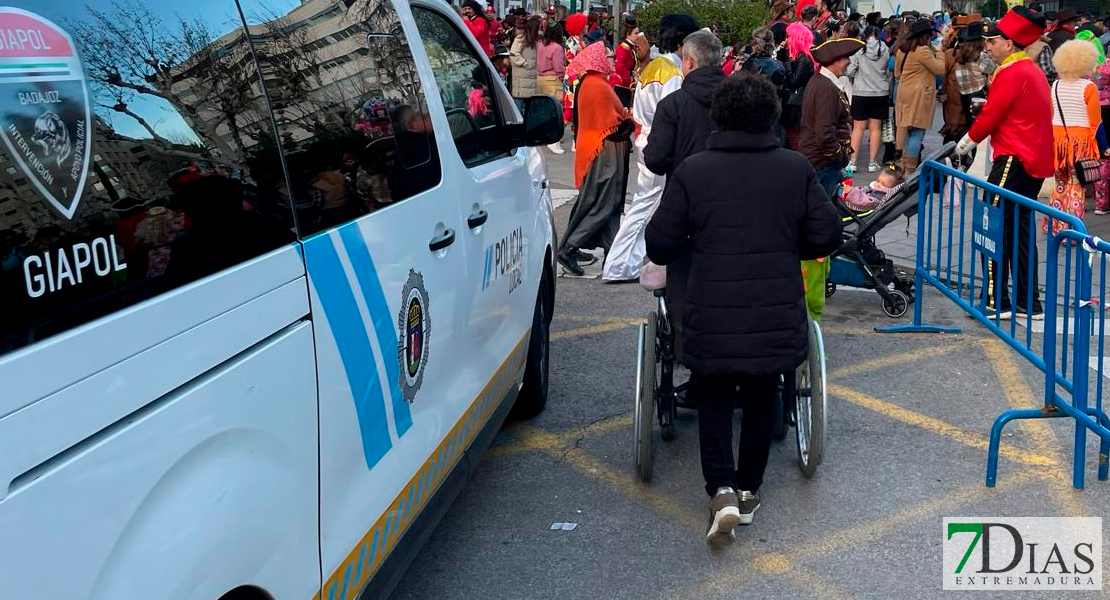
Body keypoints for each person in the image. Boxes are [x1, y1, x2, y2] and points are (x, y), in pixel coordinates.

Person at [644, 73, 842, 544]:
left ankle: (722, 489)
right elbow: (827, 234)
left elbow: (661, 242)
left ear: (720, 116)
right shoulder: (794, 168)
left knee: (713, 395)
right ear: (771, 117)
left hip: (711, 307)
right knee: (760, 393)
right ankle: (750, 489)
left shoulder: (694, 171)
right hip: (773, 309)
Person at [955, 6, 1054, 320]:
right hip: (1031, 159)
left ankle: (997, 300)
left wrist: (966, 142)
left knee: (993, 227)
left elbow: (992, 116)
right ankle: (1028, 301)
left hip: (1013, 157)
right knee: (1020, 230)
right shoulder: (1031, 70)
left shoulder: (1012, 73)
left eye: (992, 42)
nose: (987, 47)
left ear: (1008, 44)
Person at [642, 29, 725, 359]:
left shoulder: (674, 104)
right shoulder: (742, 98)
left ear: (688, 62)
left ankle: (686, 348)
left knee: (684, 276)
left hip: (687, 206)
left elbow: (656, 161)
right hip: (740, 204)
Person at [602, 14, 699, 282]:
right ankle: (618, 264)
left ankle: (627, 262)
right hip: (659, 141)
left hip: (647, 137)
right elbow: (672, 114)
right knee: (645, 206)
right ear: (683, 43)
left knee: (647, 204)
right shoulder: (672, 73)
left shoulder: (653, 66)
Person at [556, 42, 634, 276]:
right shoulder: (597, 85)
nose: (613, 60)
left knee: (607, 202)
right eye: (609, 57)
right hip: (605, 149)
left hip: (604, 148)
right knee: (604, 202)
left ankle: (611, 253)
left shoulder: (593, 82)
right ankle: (570, 248)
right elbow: (611, 124)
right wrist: (628, 122)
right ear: (599, 59)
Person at [1045, 40, 1107, 233]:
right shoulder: (1089, 88)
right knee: (1076, 186)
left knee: (1060, 183)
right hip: (1080, 143)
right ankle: (1071, 231)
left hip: (1057, 142)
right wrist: (1104, 146)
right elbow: (1095, 123)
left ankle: (1053, 225)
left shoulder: (1055, 85)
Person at [800, 37, 865, 198]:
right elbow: (824, 132)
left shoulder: (820, 82)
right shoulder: (826, 88)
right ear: (834, 61)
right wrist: (839, 156)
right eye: (845, 58)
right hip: (822, 164)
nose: (849, 62)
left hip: (819, 162)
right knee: (824, 215)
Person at [894, 18, 944, 172]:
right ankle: (910, 169)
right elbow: (939, 69)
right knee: (917, 132)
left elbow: (897, 73)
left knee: (906, 129)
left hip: (904, 92)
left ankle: (902, 164)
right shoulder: (922, 50)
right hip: (918, 95)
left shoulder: (902, 49)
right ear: (926, 36)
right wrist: (941, 53)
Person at [847, 24, 890, 172]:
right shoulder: (885, 48)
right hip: (880, 93)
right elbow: (887, 70)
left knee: (858, 128)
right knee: (875, 128)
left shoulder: (859, 48)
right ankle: (872, 163)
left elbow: (850, 70)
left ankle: (853, 162)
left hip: (861, 92)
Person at [782, 22, 817, 150]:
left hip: (798, 105)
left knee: (795, 138)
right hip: (798, 104)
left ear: (796, 38)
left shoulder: (804, 58)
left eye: (789, 36)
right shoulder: (801, 57)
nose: (786, 40)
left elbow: (794, 82)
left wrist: (788, 62)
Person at [537, 24, 567, 154]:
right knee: (556, 111)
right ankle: (553, 141)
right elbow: (559, 68)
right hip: (553, 80)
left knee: (544, 111)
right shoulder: (557, 48)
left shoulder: (539, 44)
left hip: (540, 79)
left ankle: (544, 136)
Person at [611, 15, 640, 107]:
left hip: (626, 85)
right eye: (636, 33)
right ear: (628, 34)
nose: (638, 36)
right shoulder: (623, 48)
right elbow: (620, 67)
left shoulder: (631, 47)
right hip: (621, 86)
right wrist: (630, 79)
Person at [510, 16, 540, 98]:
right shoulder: (521, 38)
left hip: (531, 76)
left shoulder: (536, 40)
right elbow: (514, 54)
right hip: (522, 76)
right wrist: (525, 63)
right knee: (519, 102)